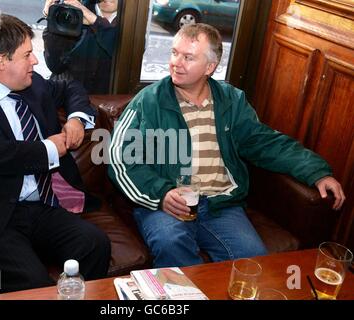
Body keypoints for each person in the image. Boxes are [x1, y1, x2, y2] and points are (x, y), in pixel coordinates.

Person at [108, 23, 345, 268]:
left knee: (253, 263)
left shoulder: (231, 100)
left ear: (210, 67)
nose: (176, 63)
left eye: (188, 57)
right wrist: (161, 194)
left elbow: (265, 142)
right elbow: (120, 156)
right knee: (172, 244)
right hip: (167, 204)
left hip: (221, 204)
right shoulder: (149, 101)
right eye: (174, 52)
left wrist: (317, 172)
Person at [0, 14, 110, 293]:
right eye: (27, 54)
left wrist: (77, 118)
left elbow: (69, 86)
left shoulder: (32, 85)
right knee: (32, 282)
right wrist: (50, 148)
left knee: (95, 244)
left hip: (40, 206)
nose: (35, 61)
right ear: (0, 61)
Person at [42, 0, 119, 94]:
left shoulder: (133, 22)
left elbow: (124, 56)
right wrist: (53, 19)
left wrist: (95, 22)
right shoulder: (73, 13)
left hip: (107, 101)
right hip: (68, 94)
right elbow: (55, 65)